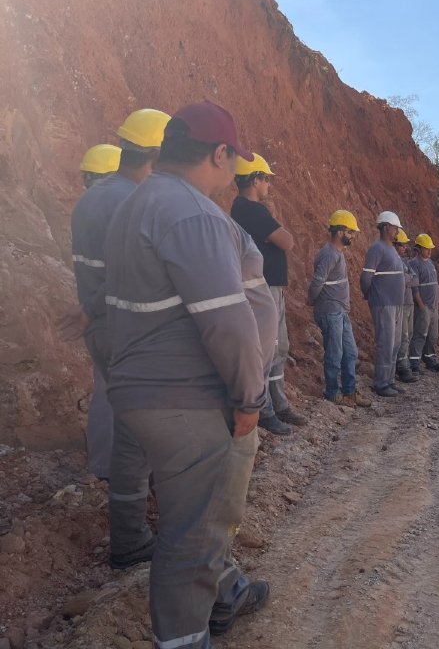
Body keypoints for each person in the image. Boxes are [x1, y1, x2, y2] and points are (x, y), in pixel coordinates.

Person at [103, 101, 274, 647]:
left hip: (145, 389)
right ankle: (184, 637)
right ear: (218, 154)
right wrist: (251, 399)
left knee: (202, 513)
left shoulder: (139, 203)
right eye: (233, 161)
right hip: (185, 399)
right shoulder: (192, 213)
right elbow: (228, 322)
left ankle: (224, 594)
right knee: (193, 531)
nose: (234, 174)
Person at [59, 110, 170, 571]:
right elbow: (132, 275)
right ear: (158, 154)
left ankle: (132, 530)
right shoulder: (135, 202)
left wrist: (89, 310)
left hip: (100, 333)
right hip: (127, 330)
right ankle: (135, 534)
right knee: (145, 434)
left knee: (129, 430)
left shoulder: (92, 196)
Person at [230, 153, 305, 434]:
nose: (269, 186)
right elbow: (287, 242)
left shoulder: (245, 209)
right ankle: (265, 410)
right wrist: (277, 233)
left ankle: (279, 404)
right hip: (262, 289)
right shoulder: (250, 209)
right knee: (266, 350)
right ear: (255, 180)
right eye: (266, 180)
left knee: (278, 347)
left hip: (269, 287)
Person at [72, 143, 121, 481]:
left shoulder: (83, 207)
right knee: (126, 395)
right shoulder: (115, 207)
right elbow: (122, 273)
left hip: (97, 322)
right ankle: (122, 470)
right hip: (115, 317)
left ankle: (101, 467)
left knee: (104, 391)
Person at [306, 210, 371, 408]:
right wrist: (311, 300)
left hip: (340, 312)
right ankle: (332, 392)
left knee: (350, 352)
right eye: (351, 232)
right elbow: (317, 281)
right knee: (334, 354)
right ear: (340, 232)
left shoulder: (337, 253)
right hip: (330, 312)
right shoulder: (328, 255)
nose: (354, 236)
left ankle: (349, 392)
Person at [360, 211, 407, 398]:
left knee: (394, 343)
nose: (397, 232)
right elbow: (365, 277)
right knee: (385, 343)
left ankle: (389, 380)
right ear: (386, 227)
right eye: (395, 228)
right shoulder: (377, 248)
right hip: (383, 303)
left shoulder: (391, 250)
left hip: (396, 303)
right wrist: (369, 294)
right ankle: (380, 383)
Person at [408, 233, 439, 373]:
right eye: (426, 248)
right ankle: (414, 363)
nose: (429, 251)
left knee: (432, 335)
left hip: (433, 307)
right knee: (420, 334)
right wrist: (420, 305)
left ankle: (430, 361)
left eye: (430, 248)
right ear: (418, 249)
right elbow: (414, 287)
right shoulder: (413, 264)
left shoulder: (430, 263)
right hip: (423, 307)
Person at [393, 228, 420, 383]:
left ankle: (405, 364)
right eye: (402, 245)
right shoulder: (393, 262)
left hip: (409, 303)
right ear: (395, 245)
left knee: (408, 335)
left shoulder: (403, 263)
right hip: (401, 304)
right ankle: (402, 368)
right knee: (402, 336)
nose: (405, 248)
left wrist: (407, 279)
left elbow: (414, 280)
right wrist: (407, 279)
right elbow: (401, 280)